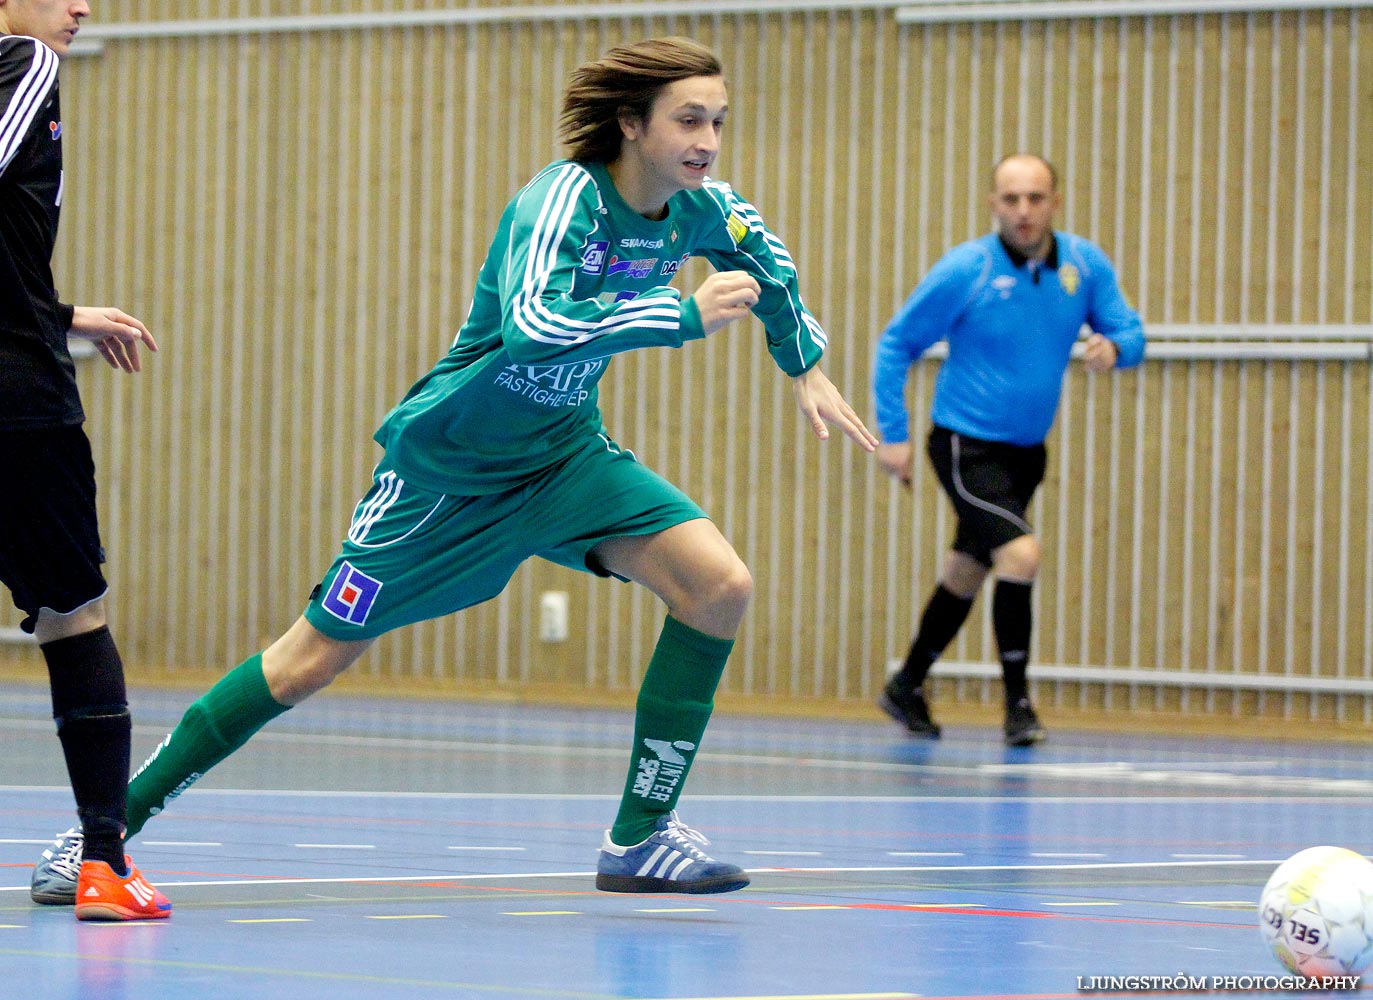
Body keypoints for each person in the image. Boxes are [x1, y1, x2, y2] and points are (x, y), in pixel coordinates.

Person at [31, 35, 877, 900]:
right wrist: (678, 316)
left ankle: (639, 838)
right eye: (688, 119)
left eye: (718, 121)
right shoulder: (562, 201)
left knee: (719, 586)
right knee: (307, 661)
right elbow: (536, 324)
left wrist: (802, 361)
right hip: (446, 472)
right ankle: (100, 837)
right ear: (631, 124)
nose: (707, 139)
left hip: (563, 456)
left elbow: (766, 264)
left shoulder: (703, 206)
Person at [871, 153, 1144, 747]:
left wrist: (1116, 349)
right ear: (994, 202)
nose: (1023, 211)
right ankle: (1018, 706)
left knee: (967, 570)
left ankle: (907, 683)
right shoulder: (966, 269)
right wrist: (893, 434)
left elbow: (1130, 329)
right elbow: (897, 342)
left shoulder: (1082, 264)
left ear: (1055, 202)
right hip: (966, 447)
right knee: (1019, 553)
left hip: (1027, 453)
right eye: (1011, 198)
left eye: (1035, 198)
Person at [2, 0, 170, 919]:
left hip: (25, 357)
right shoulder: (23, 58)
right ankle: (102, 863)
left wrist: (61, 316)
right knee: (74, 615)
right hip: (18, 409)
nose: (81, 7)